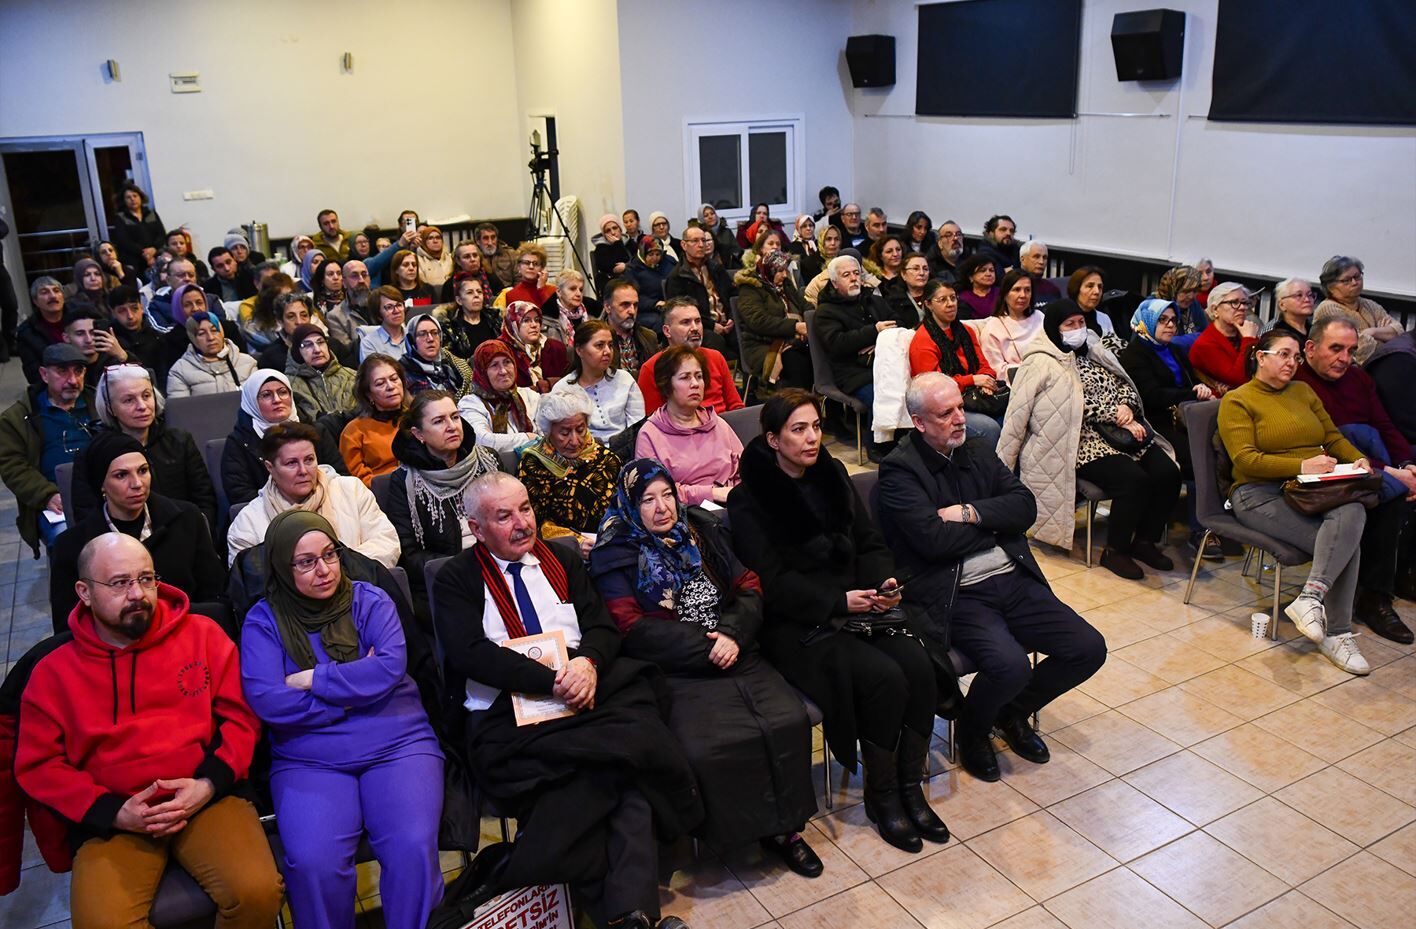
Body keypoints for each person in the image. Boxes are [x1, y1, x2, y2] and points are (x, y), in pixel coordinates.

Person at [429, 472, 702, 928]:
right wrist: (553, 680)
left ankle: (615, 912)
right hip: (508, 715)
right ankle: (624, 912)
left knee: (615, 757)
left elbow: (601, 628)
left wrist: (588, 663)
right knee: (618, 775)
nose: (523, 523)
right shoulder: (456, 578)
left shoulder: (562, 558)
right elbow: (471, 653)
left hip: (584, 692)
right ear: (476, 528)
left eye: (526, 509)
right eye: (504, 516)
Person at [15, 533, 285, 929]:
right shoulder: (52, 672)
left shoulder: (203, 634)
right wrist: (113, 812)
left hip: (204, 796)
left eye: (146, 579)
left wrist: (208, 784)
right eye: (119, 583)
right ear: (84, 592)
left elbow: (242, 719)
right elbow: (39, 765)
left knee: (257, 892)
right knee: (102, 924)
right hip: (115, 815)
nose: (138, 594)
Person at [728, 390, 945, 852]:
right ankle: (882, 797)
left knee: (919, 664)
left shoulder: (833, 474)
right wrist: (838, 602)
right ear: (773, 439)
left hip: (857, 604)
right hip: (799, 622)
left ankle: (910, 787)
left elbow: (868, 541)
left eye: (816, 427)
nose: (812, 438)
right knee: (883, 677)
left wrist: (883, 582)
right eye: (798, 430)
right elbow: (772, 582)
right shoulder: (749, 499)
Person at [588, 460, 821, 874]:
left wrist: (732, 634)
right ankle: (735, 834)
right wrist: (708, 646)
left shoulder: (699, 529)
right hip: (676, 669)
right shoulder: (615, 553)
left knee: (786, 720)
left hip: (736, 648)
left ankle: (786, 831)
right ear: (629, 505)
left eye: (667, 495)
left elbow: (748, 584)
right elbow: (628, 626)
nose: (662, 507)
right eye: (647, 500)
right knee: (710, 745)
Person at [878, 374, 1108, 781]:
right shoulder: (899, 470)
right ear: (919, 422)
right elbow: (933, 542)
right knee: (1010, 666)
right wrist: (996, 526)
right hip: (957, 591)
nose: (960, 419)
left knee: (1088, 648)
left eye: (960, 407)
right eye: (946, 413)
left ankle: (1010, 712)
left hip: (1011, 578)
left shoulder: (977, 448)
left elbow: (1025, 507)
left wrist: (969, 513)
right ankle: (973, 731)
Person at [241, 510, 443, 929]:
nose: (324, 570)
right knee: (314, 864)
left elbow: (389, 668)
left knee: (411, 847)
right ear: (281, 566)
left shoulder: (372, 600)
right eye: (306, 562)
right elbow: (269, 701)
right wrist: (350, 696)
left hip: (398, 743)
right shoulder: (263, 621)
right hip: (309, 758)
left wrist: (314, 679)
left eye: (330, 554)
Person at [1218, 328, 1372, 674]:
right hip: (1257, 493)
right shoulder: (1238, 400)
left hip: (1308, 488)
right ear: (1261, 357)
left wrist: (1358, 458)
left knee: (1352, 509)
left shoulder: (1303, 391)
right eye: (1284, 355)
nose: (1292, 363)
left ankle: (1310, 598)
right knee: (1345, 545)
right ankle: (1338, 634)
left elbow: (1331, 437)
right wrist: (1302, 465)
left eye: (1296, 357)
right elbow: (1246, 460)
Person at [997, 300, 1181, 580]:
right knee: (1133, 481)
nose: (1078, 328)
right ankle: (1115, 551)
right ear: (1054, 327)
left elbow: (1124, 382)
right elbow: (1019, 416)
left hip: (1123, 433)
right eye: (1069, 324)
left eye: (1081, 322)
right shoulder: (1039, 362)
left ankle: (1145, 541)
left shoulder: (1094, 349)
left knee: (1168, 472)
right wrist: (1001, 472)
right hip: (1078, 442)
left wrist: (1127, 406)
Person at [1295, 316, 1416, 644]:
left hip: (1366, 459)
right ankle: (1374, 598)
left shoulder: (1358, 378)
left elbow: (1385, 424)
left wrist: (1406, 464)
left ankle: (1400, 576)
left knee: (1400, 485)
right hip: (1323, 467)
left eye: (1350, 350)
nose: (1344, 358)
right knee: (1388, 495)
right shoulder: (1298, 384)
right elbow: (1324, 443)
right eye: (1336, 349)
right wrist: (1390, 472)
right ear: (1310, 348)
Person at [48, 432, 226, 633]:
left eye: (143, 471)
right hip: (113, 645)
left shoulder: (187, 519)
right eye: (121, 475)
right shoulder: (72, 546)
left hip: (185, 634)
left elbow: (215, 597)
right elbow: (68, 628)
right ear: (101, 484)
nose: (137, 484)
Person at [1119, 299, 1220, 559]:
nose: (1171, 325)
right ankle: (1201, 530)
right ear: (1146, 322)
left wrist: (1199, 388)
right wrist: (1191, 394)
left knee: (1220, 450)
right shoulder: (1134, 354)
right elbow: (1151, 396)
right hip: (1154, 423)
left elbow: (1190, 380)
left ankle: (1215, 522)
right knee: (1200, 460)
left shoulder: (1173, 350)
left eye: (1174, 320)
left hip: (1184, 417)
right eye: (1162, 320)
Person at [227, 421, 400, 568]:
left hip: (358, 589)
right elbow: (248, 577)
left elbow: (386, 542)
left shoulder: (351, 491)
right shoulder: (248, 522)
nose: (303, 471)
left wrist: (336, 572)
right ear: (270, 468)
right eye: (291, 463)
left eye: (309, 460)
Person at [386, 390, 499, 612]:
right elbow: (409, 554)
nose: (452, 426)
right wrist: (465, 566)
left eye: (455, 417)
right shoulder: (405, 482)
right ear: (418, 434)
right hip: (448, 578)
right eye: (439, 421)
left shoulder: (488, 460)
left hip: (500, 563)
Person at [72, 365, 217, 528]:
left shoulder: (180, 441)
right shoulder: (93, 453)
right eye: (129, 400)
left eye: (146, 396)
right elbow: (86, 515)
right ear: (109, 408)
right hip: (122, 539)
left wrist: (196, 532)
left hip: (184, 531)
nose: (142, 406)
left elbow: (205, 499)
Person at [0, 344, 95, 554]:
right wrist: (46, 495)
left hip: (103, 492)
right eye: (62, 371)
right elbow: (13, 467)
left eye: (78, 371)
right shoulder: (17, 418)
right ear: (44, 374)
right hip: (55, 501)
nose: (73, 380)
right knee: (69, 544)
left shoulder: (98, 404)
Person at [518, 386, 622, 555]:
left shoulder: (606, 459)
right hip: (563, 551)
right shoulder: (533, 465)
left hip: (613, 543)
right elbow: (532, 522)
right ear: (549, 432)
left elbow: (627, 506)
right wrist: (574, 543)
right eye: (565, 433)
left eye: (580, 430)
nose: (575, 440)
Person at [634, 346, 743, 505]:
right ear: (667, 385)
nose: (695, 384)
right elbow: (654, 491)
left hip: (734, 503)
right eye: (685, 377)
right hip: (686, 511)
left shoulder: (717, 424)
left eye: (699, 376)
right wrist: (711, 493)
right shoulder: (650, 434)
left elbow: (746, 469)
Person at [224, 369, 345, 507]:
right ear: (252, 402)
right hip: (269, 512)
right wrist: (286, 507)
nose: (277, 400)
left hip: (324, 503)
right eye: (266, 395)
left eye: (282, 392)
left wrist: (313, 504)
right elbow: (240, 494)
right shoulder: (239, 442)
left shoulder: (317, 431)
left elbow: (340, 475)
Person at [909, 279, 1002, 445]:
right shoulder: (923, 341)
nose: (950, 304)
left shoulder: (966, 331)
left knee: (1014, 416)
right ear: (928, 304)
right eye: (942, 300)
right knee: (990, 428)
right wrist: (973, 380)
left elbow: (984, 366)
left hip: (974, 396)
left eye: (953, 298)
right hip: (943, 408)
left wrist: (985, 382)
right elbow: (933, 389)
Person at [637, 299, 744, 415]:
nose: (695, 328)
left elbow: (736, 407)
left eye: (698, 321)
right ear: (667, 331)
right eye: (686, 322)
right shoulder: (651, 368)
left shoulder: (716, 357)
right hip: (680, 425)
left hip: (724, 423)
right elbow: (653, 420)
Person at [553, 319, 645, 442]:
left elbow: (638, 426)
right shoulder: (563, 389)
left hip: (626, 448)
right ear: (579, 350)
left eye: (610, 345)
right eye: (599, 345)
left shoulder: (625, 379)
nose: (607, 351)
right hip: (583, 449)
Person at [736, 250, 813, 393]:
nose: (784, 275)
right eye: (779, 271)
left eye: (785, 270)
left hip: (791, 338)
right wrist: (795, 326)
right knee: (795, 360)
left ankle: (817, 400)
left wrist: (810, 319)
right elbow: (758, 321)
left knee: (817, 353)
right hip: (762, 343)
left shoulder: (785, 284)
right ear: (768, 271)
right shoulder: (750, 288)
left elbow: (804, 304)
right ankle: (796, 401)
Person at [458, 340, 542, 457]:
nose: (503, 371)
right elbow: (484, 441)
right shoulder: (470, 404)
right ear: (483, 372)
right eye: (494, 365)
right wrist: (529, 438)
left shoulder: (529, 396)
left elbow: (548, 434)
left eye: (507, 362)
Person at [1313, 255, 1401, 365]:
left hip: (1380, 363)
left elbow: (1398, 331)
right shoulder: (1328, 308)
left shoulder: (1369, 304)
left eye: (1357, 276)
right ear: (1330, 286)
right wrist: (1383, 335)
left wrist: (1371, 332)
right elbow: (1358, 348)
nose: (1355, 282)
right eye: (1346, 280)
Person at [340, 355, 411, 487]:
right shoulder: (354, 431)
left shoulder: (418, 417)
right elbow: (358, 481)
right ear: (368, 394)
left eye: (394, 379)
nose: (390, 386)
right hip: (382, 492)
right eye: (380, 383)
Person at [663, 228, 736, 356]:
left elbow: (732, 294)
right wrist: (712, 325)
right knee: (715, 341)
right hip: (700, 325)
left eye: (703, 240)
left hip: (727, 322)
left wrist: (731, 317)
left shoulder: (716, 267)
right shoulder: (677, 276)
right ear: (684, 245)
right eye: (695, 241)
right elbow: (679, 311)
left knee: (744, 335)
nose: (701, 245)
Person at [1189, 281, 1260, 395]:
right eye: (1234, 302)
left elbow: (1265, 370)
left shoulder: (1244, 333)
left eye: (1244, 302)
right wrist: (1249, 339)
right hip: (1221, 403)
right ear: (1215, 310)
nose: (1242, 307)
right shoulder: (1205, 344)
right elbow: (1239, 380)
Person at [166, 310, 258, 397]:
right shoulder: (179, 371)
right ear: (193, 338)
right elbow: (180, 407)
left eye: (214, 330)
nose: (210, 337)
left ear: (222, 333)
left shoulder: (248, 363)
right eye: (201, 333)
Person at [981, 269, 1043, 385]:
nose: (1023, 295)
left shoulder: (1040, 317)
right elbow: (996, 369)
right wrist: (1030, 371)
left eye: (1027, 290)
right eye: (1017, 290)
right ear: (1005, 294)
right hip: (1018, 384)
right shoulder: (993, 328)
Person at [285, 324, 356, 422]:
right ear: (297, 352)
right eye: (307, 345)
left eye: (321, 342)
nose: (317, 350)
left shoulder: (352, 376)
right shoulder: (288, 385)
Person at [498, 300, 570, 393]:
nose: (534, 325)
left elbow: (568, 384)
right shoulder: (500, 351)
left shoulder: (556, 348)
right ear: (512, 324)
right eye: (526, 320)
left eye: (537, 320)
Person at [402, 313, 472, 397]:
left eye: (435, 333)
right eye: (422, 334)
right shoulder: (402, 372)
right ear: (411, 340)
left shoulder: (455, 363)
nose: (430, 339)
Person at [601, 279, 660, 378]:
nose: (632, 311)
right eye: (625, 305)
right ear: (607, 307)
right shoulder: (596, 340)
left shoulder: (649, 337)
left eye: (635, 305)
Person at [18, 276, 67, 384]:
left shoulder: (79, 317)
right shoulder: (27, 332)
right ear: (35, 301)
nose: (52, 296)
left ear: (63, 297)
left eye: (56, 290)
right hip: (52, 384)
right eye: (44, 292)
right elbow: (33, 374)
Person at [107, 284, 166, 373]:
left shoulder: (157, 338)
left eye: (134, 308)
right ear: (113, 313)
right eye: (122, 311)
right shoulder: (110, 341)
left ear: (141, 307)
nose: (130, 316)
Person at [441, 273, 501, 358]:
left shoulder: (496, 320)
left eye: (479, 292)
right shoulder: (451, 329)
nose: (476, 295)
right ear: (459, 300)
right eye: (470, 292)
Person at [109, 181, 166, 270]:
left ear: (140, 197)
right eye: (128, 197)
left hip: (156, 256)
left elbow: (161, 234)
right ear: (124, 201)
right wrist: (145, 254)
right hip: (134, 260)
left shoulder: (151, 213)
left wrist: (154, 249)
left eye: (135, 196)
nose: (132, 199)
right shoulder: (120, 217)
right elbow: (124, 241)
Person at [256, 291, 317, 373]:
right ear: (280, 321)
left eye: (304, 315)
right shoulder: (270, 358)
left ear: (310, 318)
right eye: (291, 316)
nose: (299, 322)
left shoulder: (330, 345)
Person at [539, 268, 599, 346]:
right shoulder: (547, 319)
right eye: (572, 289)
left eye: (581, 290)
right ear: (559, 292)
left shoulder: (594, 315)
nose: (578, 294)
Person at [241, 270, 296, 353]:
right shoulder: (253, 329)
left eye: (291, 297)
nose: (289, 303)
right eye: (282, 298)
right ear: (270, 301)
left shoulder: (303, 316)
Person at [627, 236, 674, 333]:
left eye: (658, 254)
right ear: (643, 253)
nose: (655, 258)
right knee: (662, 323)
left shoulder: (669, 262)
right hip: (647, 310)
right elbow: (632, 296)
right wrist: (654, 303)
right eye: (651, 254)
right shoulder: (633, 270)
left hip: (670, 304)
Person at [1154, 265, 1208, 347]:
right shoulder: (1153, 306)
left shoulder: (1193, 305)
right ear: (1172, 288)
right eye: (1185, 291)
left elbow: (1206, 335)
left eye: (1195, 291)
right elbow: (1156, 340)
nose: (1191, 296)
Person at [438, 240, 503, 305]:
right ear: (458, 261)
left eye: (475, 255)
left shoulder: (491, 279)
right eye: (467, 257)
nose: (472, 259)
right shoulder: (449, 286)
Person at [1067, 265, 1119, 341]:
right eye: (1090, 286)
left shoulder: (1104, 319)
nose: (1097, 292)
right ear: (1076, 288)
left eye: (1100, 287)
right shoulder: (1063, 318)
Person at [359, 285, 410, 362]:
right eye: (389, 307)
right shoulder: (369, 343)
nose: (396, 311)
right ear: (378, 314)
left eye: (399, 305)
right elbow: (373, 369)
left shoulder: (414, 335)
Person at [499, 242, 556, 308]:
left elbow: (554, 313)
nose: (531, 267)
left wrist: (541, 289)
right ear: (518, 267)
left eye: (536, 263)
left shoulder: (553, 291)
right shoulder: (511, 295)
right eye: (526, 263)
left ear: (542, 268)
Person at [592, 214, 633, 296]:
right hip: (613, 283)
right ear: (604, 234)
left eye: (615, 228)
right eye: (608, 230)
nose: (613, 233)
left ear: (620, 229)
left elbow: (639, 261)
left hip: (633, 279)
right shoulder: (601, 248)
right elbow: (614, 267)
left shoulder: (629, 242)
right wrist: (617, 244)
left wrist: (627, 266)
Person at [887, 253, 931, 324]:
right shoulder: (893, 300)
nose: (922, 273)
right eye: (915, 269)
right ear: (903, 274)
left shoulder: (936, 295)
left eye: (925, 269)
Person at [696, 203, 741, 270]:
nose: (710, 217)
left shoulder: (727, 232)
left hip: (728, 267)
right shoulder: (699, 234)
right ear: (701, 219)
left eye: (712, 213)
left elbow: (737, 250)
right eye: (706, 215)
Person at [954, 254, 999, 321]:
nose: (989, 274)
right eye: (983, 270)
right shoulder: (963, 299)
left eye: (991, 270)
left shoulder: (1002, 293)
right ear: (970, 277)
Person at [474, 221, 517, 286]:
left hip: (508, 290)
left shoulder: (510, 253)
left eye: (493, 237)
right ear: (478, 241)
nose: (490, 243)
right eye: (485, 238)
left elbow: (519, 278)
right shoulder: (474, 256)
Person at [925, 220, 966, 284]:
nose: (955, 238)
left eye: (958, 234)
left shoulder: (968, 262)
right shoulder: (930, 268)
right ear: (940, 244)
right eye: (949, 235)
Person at [414, 225, 453, 291]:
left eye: (438, 238)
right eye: (430, 238)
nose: (435, 241)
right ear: (424, 241)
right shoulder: (417, 260)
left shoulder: (451, 258)